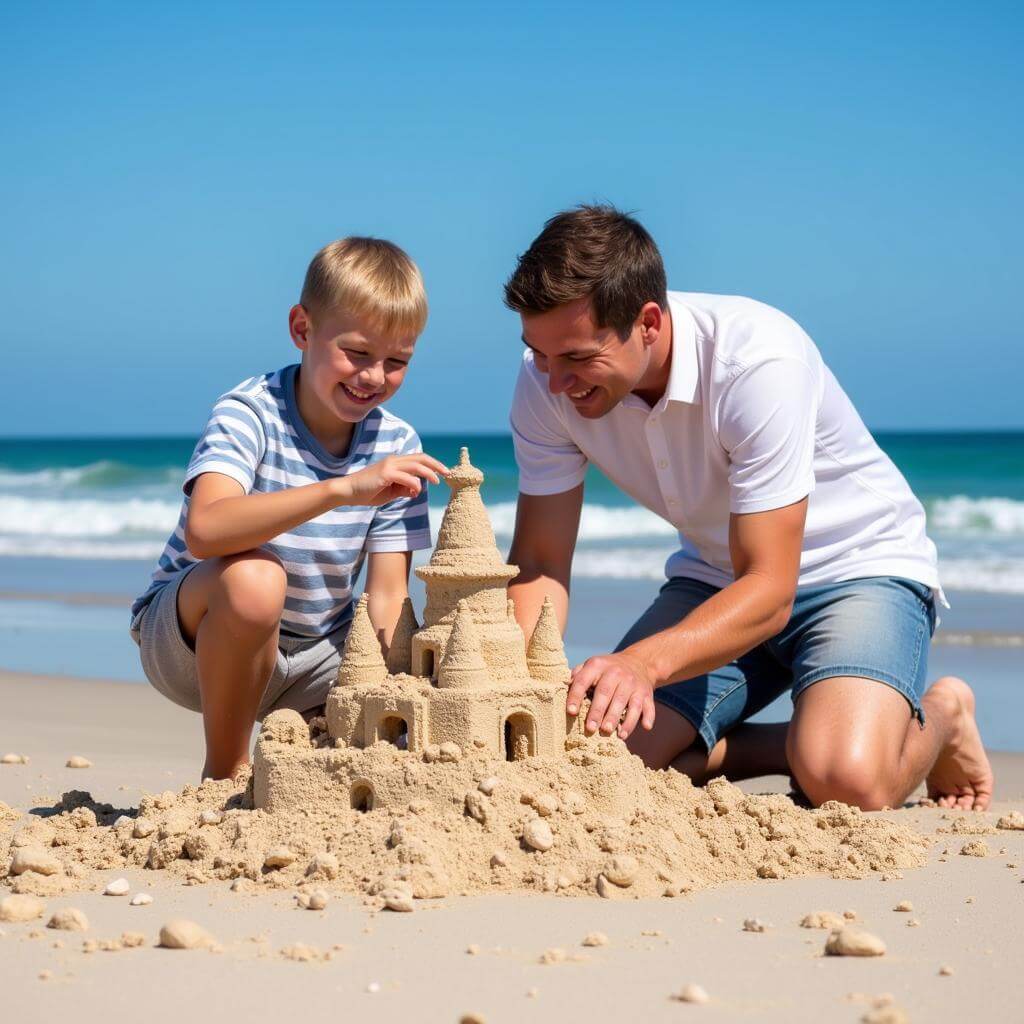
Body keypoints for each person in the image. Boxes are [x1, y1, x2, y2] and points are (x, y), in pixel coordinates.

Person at [504, 205, 992, 811]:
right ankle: (789, 745)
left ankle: (943, 715)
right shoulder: (545, 382)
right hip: (714, 580)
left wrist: (642, 664)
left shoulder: (756, 361)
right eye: (539, 354)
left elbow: (770, 586)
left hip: (855, 572)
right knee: (590, 758)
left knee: (846, 782)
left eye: (576, 357)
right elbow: (542, 560)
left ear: (648, 322)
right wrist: (509, 688)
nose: (553, 382)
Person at [130, 237, 447, 780]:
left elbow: (387, 597)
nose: (374, 376)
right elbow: (206, 529)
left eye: (397, 361)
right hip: (192, 641)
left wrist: (394, 687)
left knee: (412, 682)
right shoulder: (249, 412)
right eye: (357, 352)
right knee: (257, 580)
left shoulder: (397, 444)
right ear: (303, 329)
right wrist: (342, 489)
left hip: (317, 656)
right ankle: (224, 771)